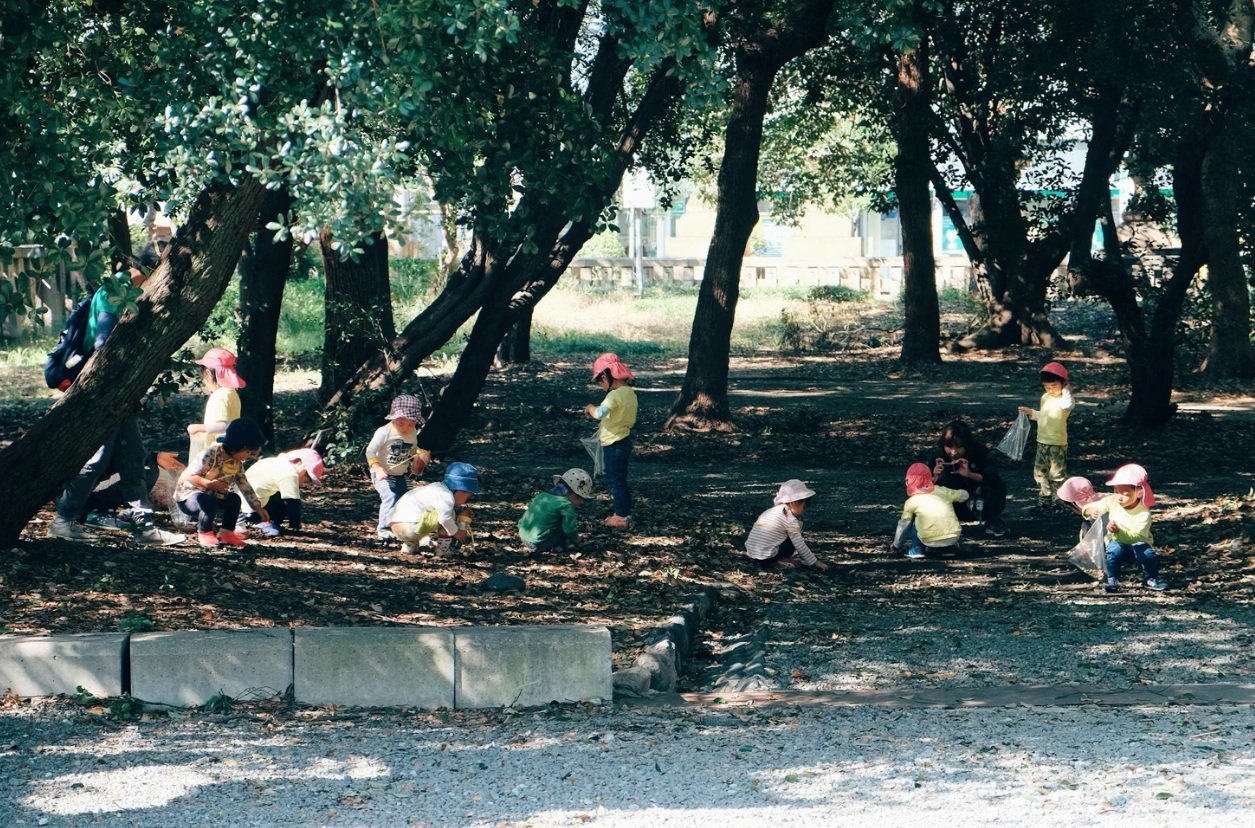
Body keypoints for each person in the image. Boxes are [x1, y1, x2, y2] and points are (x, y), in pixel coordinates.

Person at [47, 255, 185, 546]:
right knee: (97, 458)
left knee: (133, 455)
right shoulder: (116, 289)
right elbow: (103, 343)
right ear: (149, 270)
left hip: (120, 396)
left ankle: (143, 525)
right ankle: (63, 520)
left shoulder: (128, 292)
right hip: (103, 393)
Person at [174, 417, 268, 548]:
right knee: (208, 501)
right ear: (237, 446)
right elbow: (190, 476)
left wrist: (257, 507)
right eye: (248, 452)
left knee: (234, 500)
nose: (248, 456)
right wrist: (209, 484)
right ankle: (205, 532)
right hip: (189, 497)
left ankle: (227, 533)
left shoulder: (236, 463)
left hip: (213, 495)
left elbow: (244, 485)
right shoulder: (210, 454)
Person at [1081, 464, 1168, 592]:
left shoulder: (1143, 513)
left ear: (1139, 493)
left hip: (1138, 542)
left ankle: (1150, 578)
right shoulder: (1112, 501)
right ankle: (1112, 578)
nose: (1119, 497)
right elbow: (1095, 506)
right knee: (1113, 550)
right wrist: (1090, 510)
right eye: (1116, 492)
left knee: (1147, 553)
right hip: (1116, 541)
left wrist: (1118, 531)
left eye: (1125, 494)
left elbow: (1136, 536)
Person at [365, 394, 431, 540]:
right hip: (382, 472)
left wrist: (419, 455)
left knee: (408, 497)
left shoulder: (413, 432)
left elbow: (412, 449)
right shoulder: (384, 432)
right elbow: (370, 451)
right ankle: (384, 529)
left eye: (411, 424)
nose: (406, 428)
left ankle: (404, 526)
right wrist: (377, 468)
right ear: (394, 418)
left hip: (401, 473)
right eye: (401, 423)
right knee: (391, 496)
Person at [584, 353, 637, 529]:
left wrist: (590, 408)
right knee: (620, 479)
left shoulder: (614, 396)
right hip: (624, 440)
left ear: (606, 377)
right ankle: (622, 512)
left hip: (613, 443)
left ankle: (621, 516)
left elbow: (600, 413)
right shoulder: (630, 393)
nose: (601, 386)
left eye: (600, 382)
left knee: (615, 481)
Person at [932, 419, 1008, 538]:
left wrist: (970, 474)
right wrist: (934, 476)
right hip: (953, 505)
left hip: (979, 503)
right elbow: (920, 486)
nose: (953, 452)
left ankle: (993, 521)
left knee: (997, 486)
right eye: (949, 446)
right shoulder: (939, 456)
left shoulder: (980, 452)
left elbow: (994, 479)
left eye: (959, 447)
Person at [1018, 361, 1074, 511]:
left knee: (1057, 474)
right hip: (1042, 440)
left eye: (1054, 386)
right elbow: (1044, 416)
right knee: (1040, 472)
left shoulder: (1065, 400)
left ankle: (1059, 501)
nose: (1050, 390)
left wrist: (1066, 390)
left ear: (1063, 384)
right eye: (1047, 387)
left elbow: (1067, 406)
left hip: (1057, 442)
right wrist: (1032, 413)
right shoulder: (1045, 397)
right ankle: (1044, 499)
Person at [390, 462, 480, 554]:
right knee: (449, 515)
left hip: (395, 525)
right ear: (461, 491)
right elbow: (445, 518)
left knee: (430, 513)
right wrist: (457, 532)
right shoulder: (446, 496)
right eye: (467, 496)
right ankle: (442, 550)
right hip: (411, 527)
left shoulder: (435, 488)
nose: (466, 500)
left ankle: (409, 545)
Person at [744, 479, 830, 571]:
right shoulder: (789, 519)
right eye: (805, 505)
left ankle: (778, 559)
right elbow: (799, 545)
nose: (804, 509)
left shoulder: (770, 512)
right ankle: (782, 560)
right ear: (794, 502)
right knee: (794, 537)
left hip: (753, 553)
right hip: (768, 556)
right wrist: (814, 562)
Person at [237, 448, 324, 536]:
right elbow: (293, 503)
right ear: (303, 471)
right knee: (289, 499)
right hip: (253, 511)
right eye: (306, 481)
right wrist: (295, 526)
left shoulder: (275, 462)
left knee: (283, 493)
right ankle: (264, 523)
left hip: (243, 508)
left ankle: (264, 522)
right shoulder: (290, 474)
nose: (303, 484)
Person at [891, 462, 970, 559]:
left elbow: (904, 526)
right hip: (953, 537)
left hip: (928, 539)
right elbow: (965, 495)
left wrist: (896, 544)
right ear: (930, 478)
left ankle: (917, 549)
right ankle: (947, 549)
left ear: (908, 482)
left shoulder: (911, 501)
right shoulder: (943, 491)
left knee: (913, 521)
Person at [187, 347, 245, 463]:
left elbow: (224, 426)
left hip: (216, 458)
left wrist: (198, 428)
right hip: (228, 455)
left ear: (208, 373)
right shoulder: (232, 393)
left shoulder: (220, 395)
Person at [518, 468, 593, 554]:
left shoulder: (541, 496)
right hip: (539, 543)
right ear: (574, 494)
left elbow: (523, 520)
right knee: (562, 526)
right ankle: (559, 547)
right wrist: (578, 542)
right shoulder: (565, 505)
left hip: (524, 538)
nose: (581, 502)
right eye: (581, 498)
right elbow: (569, 530)